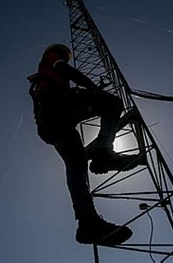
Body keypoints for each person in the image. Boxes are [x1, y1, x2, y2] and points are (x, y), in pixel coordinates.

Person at [28, 43, 136, 245]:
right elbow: (65, 70)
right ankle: (103, 147)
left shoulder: (38, 83)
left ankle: (88, 222)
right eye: (65, 55)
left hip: (49, 125)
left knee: (76, 164)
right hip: (58, 107)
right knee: (112, 102)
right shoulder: (51, 58)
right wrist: (95, 89)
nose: (66, 58)